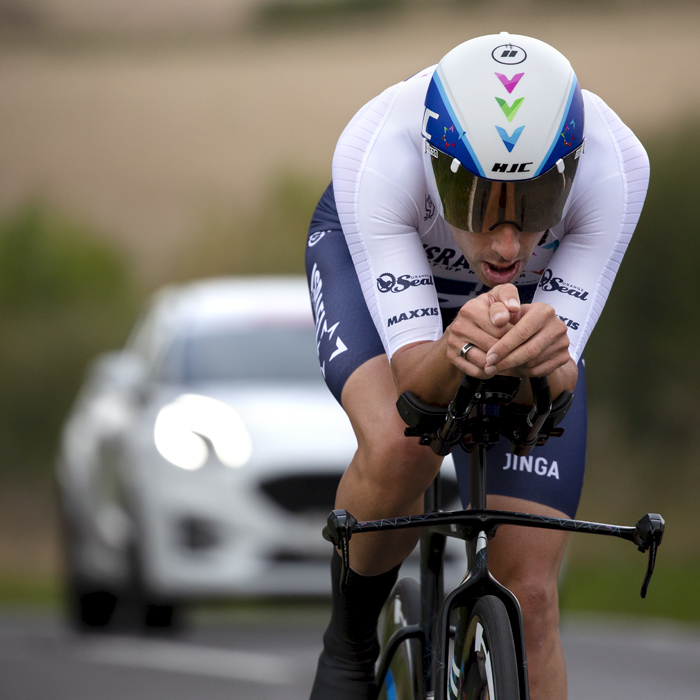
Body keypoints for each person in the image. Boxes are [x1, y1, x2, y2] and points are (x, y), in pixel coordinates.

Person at [305, 32, 649, 700]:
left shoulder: (616, 166)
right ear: (439, 167)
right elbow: (415, 394)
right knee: (405, 449)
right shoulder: (379, 151)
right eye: (479, 204)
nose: (506, 241)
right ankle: (349, 638)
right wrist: (452, 350)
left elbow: (553, 391)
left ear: (571, 172)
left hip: (523, 305)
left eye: (537, 206)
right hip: (389, 269)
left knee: (530, 601)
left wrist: (546, 368)